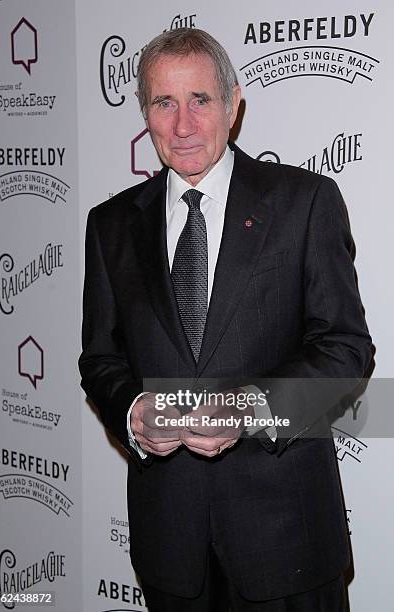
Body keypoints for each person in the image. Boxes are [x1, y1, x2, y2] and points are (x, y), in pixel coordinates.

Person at [79, 28, 372, 612]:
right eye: (164, 103)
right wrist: (135, 414)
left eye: (200, 100)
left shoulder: (305, 202)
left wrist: (247, 411)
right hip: (171, 549)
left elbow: (345, 351)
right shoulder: (109, 224)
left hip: (287, 542)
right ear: (145, 112)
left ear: (234, 104)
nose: (182, 125)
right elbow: (101, 360)